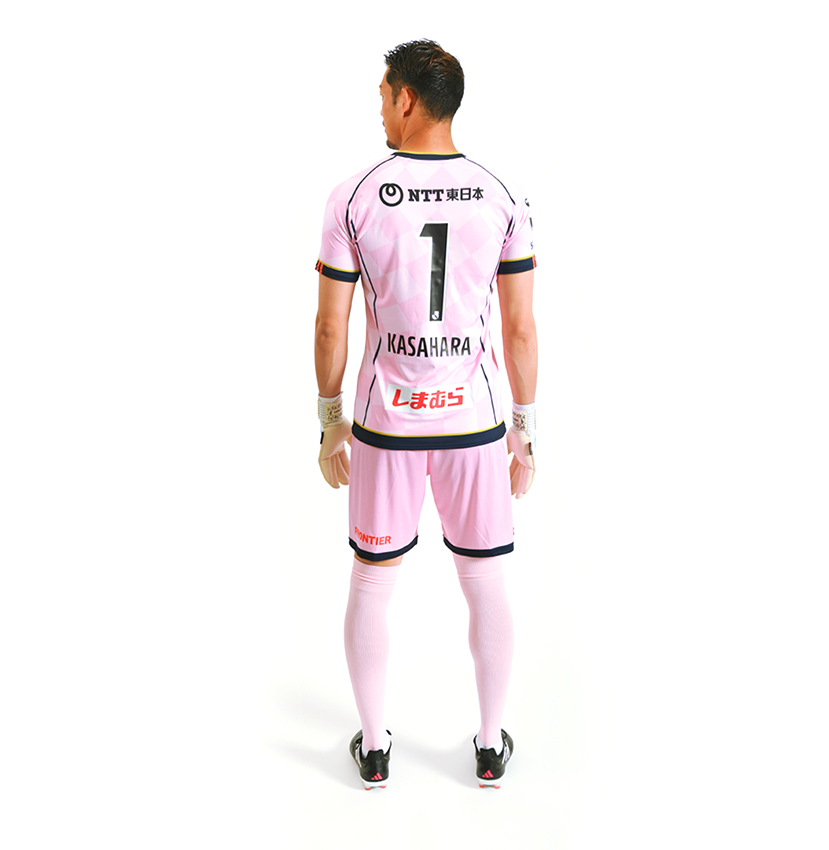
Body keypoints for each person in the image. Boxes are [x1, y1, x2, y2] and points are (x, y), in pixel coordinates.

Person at [313, 39, 537, 790]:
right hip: (473, 426)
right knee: (485, 582)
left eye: (383, 94)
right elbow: (520, 329)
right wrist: (524, 430)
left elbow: (330, 328)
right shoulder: (502, 194)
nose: (380, 108)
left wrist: (329, 420)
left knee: (373, 581)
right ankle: (489, 745)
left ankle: (376, 749)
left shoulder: (353, 195)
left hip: (388, 425)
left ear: (406, 98)